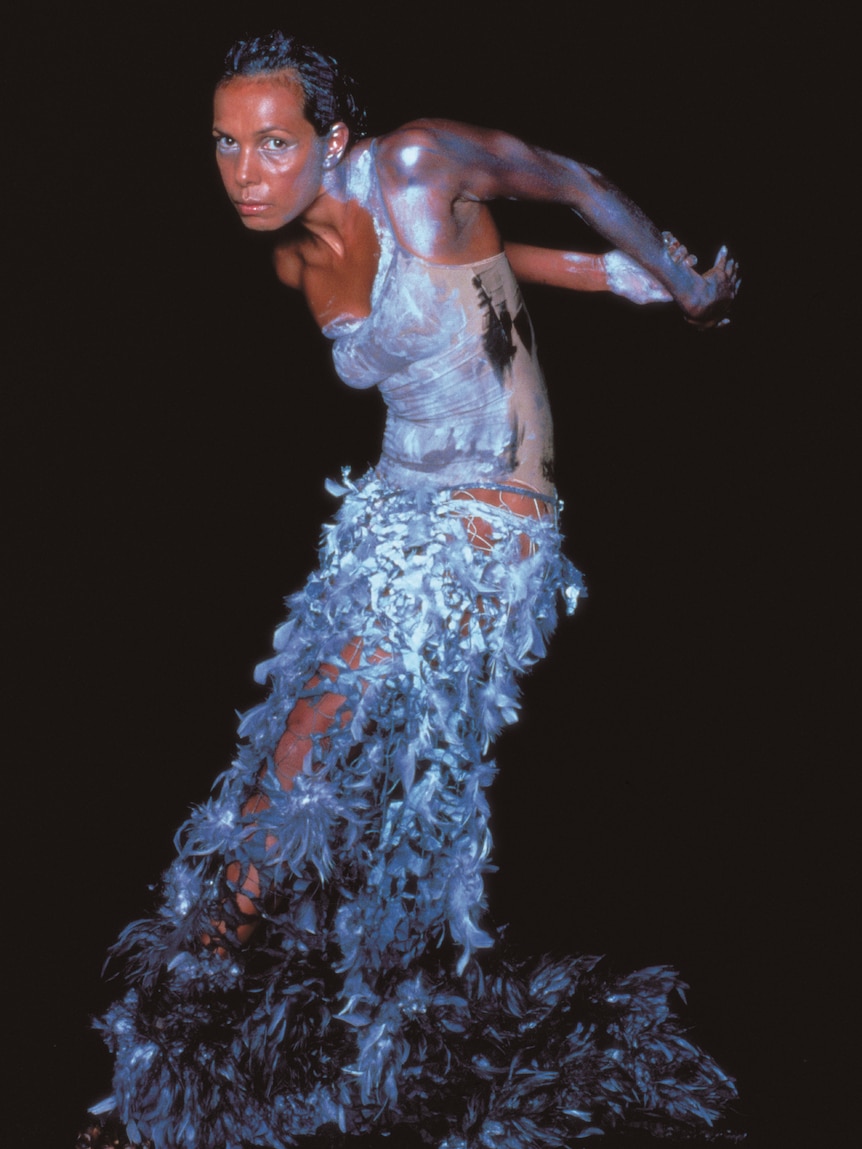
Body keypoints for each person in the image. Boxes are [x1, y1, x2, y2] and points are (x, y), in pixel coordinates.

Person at [84, 31, 740, 1149]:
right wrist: (592, 279)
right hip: (386, 512)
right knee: (280, 766)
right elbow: (473, 270)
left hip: (488, 516)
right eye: (226, 144)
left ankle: (175, 1041)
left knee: (305, 753)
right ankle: (197, 1031)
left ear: (332, 138)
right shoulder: (294, 252)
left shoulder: (415, 165)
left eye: (274, 142)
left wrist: (673, 280)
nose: (246, 170)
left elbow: (570, 182)